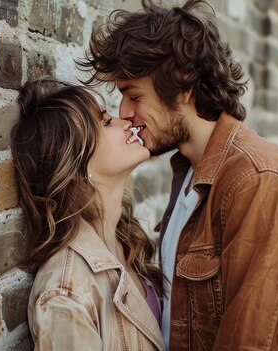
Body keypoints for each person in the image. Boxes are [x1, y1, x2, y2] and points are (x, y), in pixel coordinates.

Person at [78, 0, 278, 350]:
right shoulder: (190, 170)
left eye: (133, 95)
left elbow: (254, 342)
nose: (125, 113)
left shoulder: (260, 180)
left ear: (183, 86)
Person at [11, 79, 165, 350]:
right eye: (105, 122)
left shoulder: (125, 239)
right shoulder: (65, 295)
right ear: (78, 167)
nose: (124, 121)